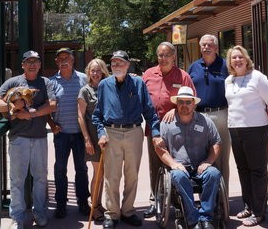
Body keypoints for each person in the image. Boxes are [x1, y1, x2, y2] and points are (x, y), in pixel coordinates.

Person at [92, 50, 163, 229]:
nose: (117, 66)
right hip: (111, 133)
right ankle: (112, 214)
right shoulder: (103, 85)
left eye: (120, 63)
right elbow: (97, 115)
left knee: (132, 175)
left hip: (134, 132)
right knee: (111, 176)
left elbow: (150, 112)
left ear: (127, 65)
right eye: (114, 63)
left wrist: (155, 133)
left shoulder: (138, 83)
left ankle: (128, 211)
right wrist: (101, 133)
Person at [0, 50, 56, 229]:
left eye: (35, 61)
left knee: (41, 178)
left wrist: (31, 113)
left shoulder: (45, 82)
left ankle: (39, 213)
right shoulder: (13, 82)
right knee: (17, 180)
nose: (32, 64)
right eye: (29, 62)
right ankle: (18, 217)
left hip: (40, 138)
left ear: (40, 65)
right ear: (23, 65)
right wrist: (13, 106)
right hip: (19, 139)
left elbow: (52, 105)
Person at [155, 86, 222, 229]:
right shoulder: (167, 123)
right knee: (178, 176)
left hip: (201, 166)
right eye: (181, 102)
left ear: (194, 104)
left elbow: (216, 143)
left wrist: (209, 161)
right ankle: (192, 219)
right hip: (179, 166)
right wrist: (173, 164)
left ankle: (206, 218)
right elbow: (160, 148)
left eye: (188, 102)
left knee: (214, 173)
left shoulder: (205, 121)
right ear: (176, 103)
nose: (184, 105)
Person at [142, 41, 195, 219]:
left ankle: (177, 199)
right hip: (154, 127)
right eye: (160, 55)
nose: (163, 58)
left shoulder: (183, 76)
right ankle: (155, 201)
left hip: (177, 127)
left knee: (176, 162)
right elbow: (142, 99)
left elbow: (191, 100)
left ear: (174, 57)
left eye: (167, 55)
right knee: (155, 165)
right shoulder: (149, 74)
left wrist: (175, 107)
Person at [225, 46, 268, 227]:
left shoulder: (257, 77)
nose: (237, 60)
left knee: (257, 171)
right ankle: (248, 205)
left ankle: (259, 212)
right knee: (243, 170)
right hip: (235, 129)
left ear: (246, 59)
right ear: (230, 62)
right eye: (233, 58)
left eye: (240, 57)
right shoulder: (229, 80)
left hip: (256, 129)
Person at [187, 34, 230, 193]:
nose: (206, 47)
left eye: (209, 45)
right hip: (198, 116)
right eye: (203, 45)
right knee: (200, 154)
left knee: (222, 156)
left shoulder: (225, 66)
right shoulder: (193, 67)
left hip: (220, 114)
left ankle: (222, 196)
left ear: (216, 48)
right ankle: (206, 193)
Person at [49, 47, 89, 219]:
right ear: (56, 62)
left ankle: (82, 202)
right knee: (60, 169)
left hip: (80, 134)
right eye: (60, 58)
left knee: (81, 169)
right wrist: (51, 124)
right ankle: (60, 204)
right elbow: (45, 107)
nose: (63, 60)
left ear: (73, 60)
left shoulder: (83, 79)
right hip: (61, 134)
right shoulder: (51, 82)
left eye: (67, 57)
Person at [77, 58, 110, 222]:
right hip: (92, 135)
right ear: (88, 72)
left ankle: (99, 203)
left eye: (99, 70)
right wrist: (87, 140)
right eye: (93, 70)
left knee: (104, 172)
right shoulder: (85, 91)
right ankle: (94, 206)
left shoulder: (108, 87)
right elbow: (80, 117)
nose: (96, 74)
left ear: (103, 71)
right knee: (98, 172)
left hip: (108, 135)